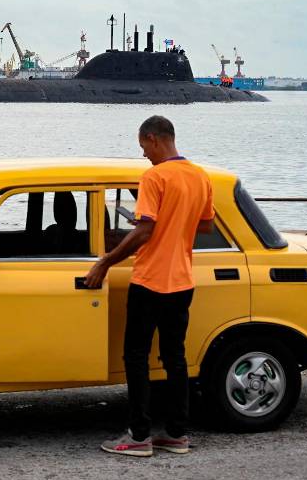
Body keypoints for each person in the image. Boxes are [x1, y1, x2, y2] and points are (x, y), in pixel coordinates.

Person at [85, 115, 214, 457]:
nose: (144, 154)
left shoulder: (155, 176)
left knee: (137, 357)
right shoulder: (200, 176)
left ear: (154, 139)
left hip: (151, 280)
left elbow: (145, 231)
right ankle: (177, 434)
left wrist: (106, 260)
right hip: (183, 281)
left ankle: (139, 435)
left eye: (143, 147)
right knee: (175, 357)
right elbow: (206, 225)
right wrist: (172, 222)